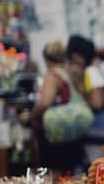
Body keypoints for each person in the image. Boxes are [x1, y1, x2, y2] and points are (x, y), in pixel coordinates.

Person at [26, 40, 86, 175]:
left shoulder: (53, 76)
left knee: (54, 176)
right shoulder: (71, 73)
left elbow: (45, 102)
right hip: (73, 133)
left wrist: (31, 117)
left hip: (55, 135)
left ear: (46, 59)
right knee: (69, 175)